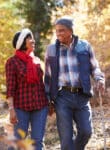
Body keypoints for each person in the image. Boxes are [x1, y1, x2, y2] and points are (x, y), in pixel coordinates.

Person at [44, 17, 105, 150]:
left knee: (86, 132)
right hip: (62, 97)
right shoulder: (51, 50)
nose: (58, 33)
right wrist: (48, 99)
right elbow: (48, 77)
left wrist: (99, 79)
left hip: (82, 96)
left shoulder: (84, 46)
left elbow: (94, 67)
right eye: (57, 31)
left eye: (62, 30)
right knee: (66, 139)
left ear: (71, 30)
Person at [5, 28, 48, 150]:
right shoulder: (12, 62)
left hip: (40, 105)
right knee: (18, 141)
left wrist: (49, 102)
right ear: (22, 42)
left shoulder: (36, 60)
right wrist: (11, 109)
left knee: (37, 142)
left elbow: (42, 83)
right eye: (30, 38)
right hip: (21, 107)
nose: (33, 41)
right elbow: (10, 87)